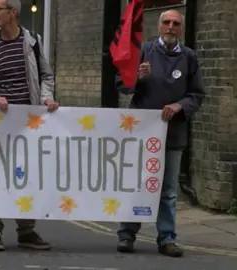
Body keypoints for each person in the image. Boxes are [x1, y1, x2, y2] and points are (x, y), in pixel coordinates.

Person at [115, 9, 205, 258]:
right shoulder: (143, 51)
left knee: (168, 190)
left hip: (173, 133)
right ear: (159, 26)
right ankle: (126, 235)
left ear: (181, 28)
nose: (170, 27)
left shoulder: (189, 57)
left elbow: (197, 95)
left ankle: (167, 238)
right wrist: (136, 78)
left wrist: (179, 106)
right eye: (166, 22)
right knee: (136, 184)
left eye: (176, 23)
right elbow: (121, 85)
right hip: (142, 133)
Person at [0, 0, 58, 251]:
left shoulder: (33, 42)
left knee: (25, 176)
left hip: (27, 123)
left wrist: (46, 97)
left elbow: (46, 77)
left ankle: (26, 231)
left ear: (13, 13)